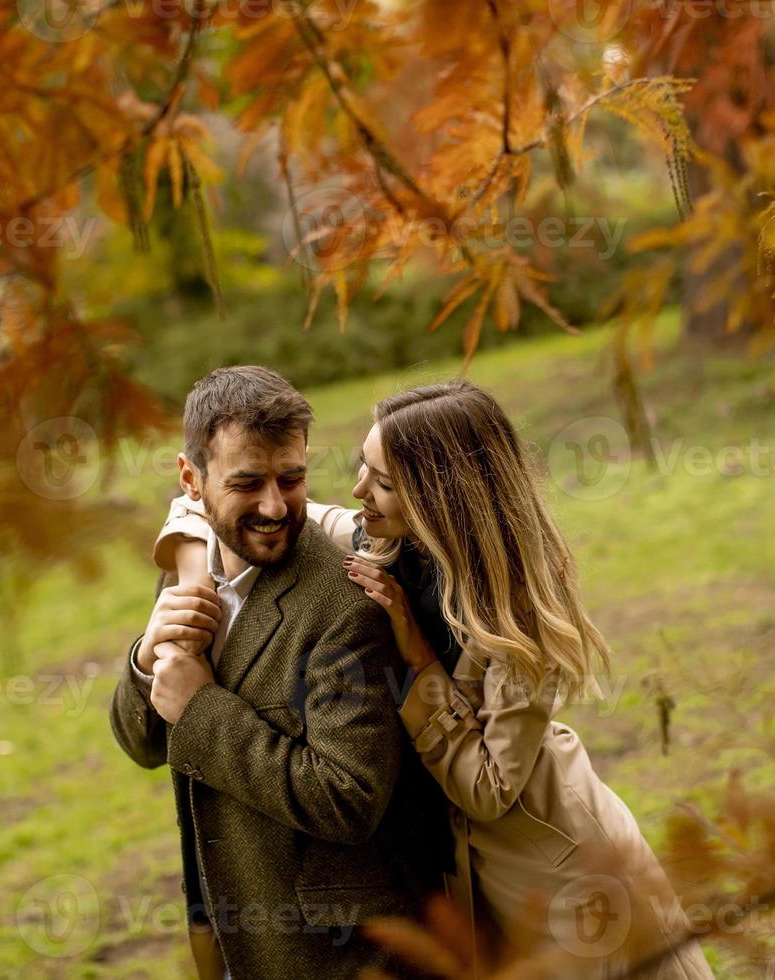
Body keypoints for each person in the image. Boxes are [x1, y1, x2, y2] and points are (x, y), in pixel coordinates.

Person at [148, 379, 715, 978]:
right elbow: (212, 501)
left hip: (551, 868)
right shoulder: (376, 537)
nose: (358, 489)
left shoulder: (517, 615)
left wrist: (418, 659)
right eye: (362, 468)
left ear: (437, 499)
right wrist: (193, 582)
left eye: (384, 483)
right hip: (454, 873)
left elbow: (489, 791)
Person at [108, 366, 447, 980]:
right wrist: (144, 658)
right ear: (192, 479)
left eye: (291, 479)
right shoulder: (187, 570)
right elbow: (143, 744)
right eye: (247, 483)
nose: (274, 505)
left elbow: (350, 798)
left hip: (335, 957)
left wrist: (201, 708)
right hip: (227, 931)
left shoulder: (345, 606)